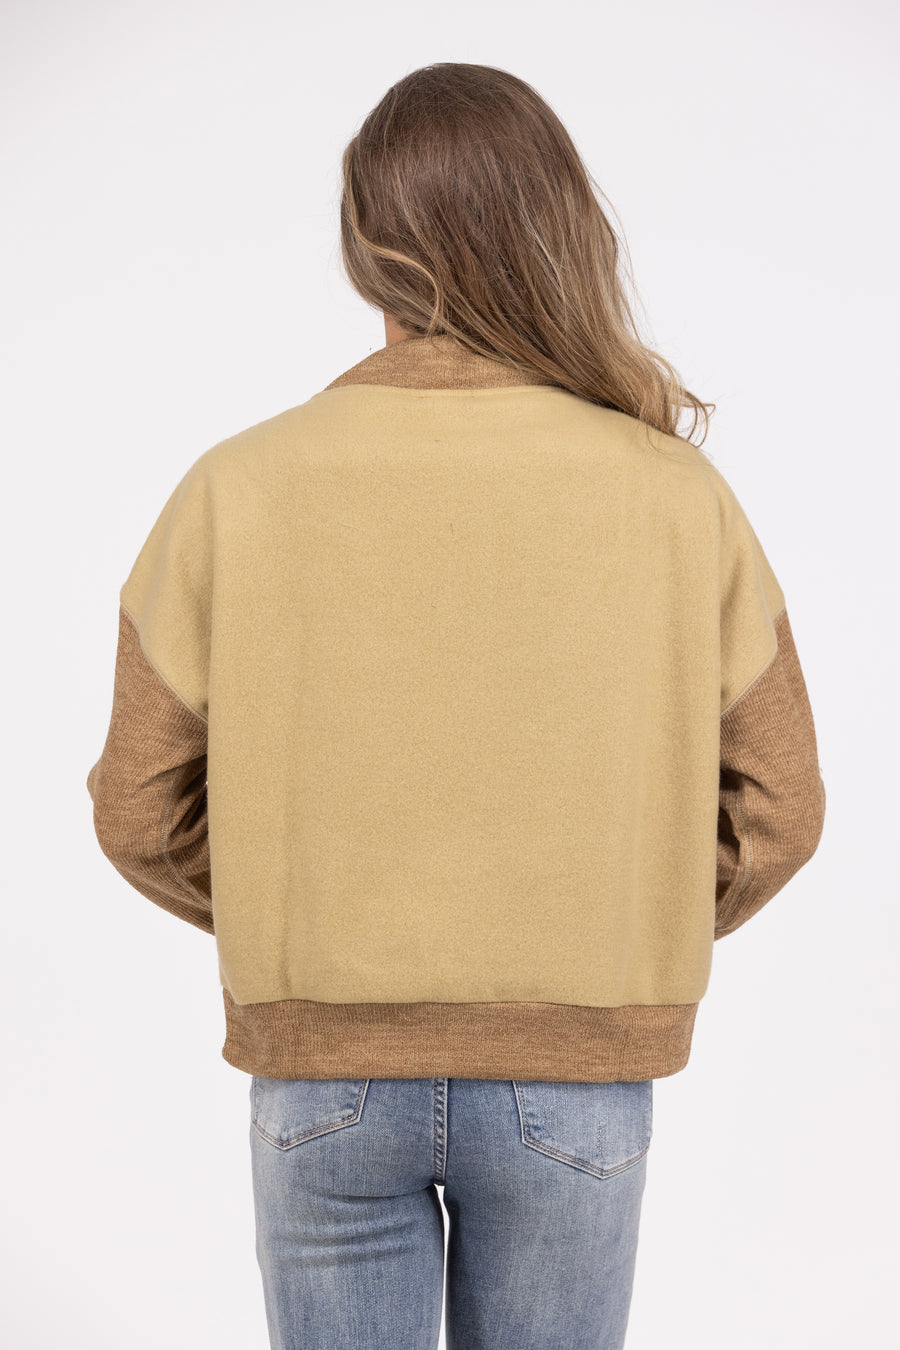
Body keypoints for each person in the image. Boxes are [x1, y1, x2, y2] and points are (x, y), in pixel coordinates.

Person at [85, 61, 826, 1350]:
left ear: (363, 244)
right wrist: (616, 920)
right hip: (578, 1081)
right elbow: (784, 807)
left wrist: (299, 913)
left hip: (323, 1078)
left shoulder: (236, 487)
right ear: (560, 226)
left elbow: (138, 809)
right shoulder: (674, 496)